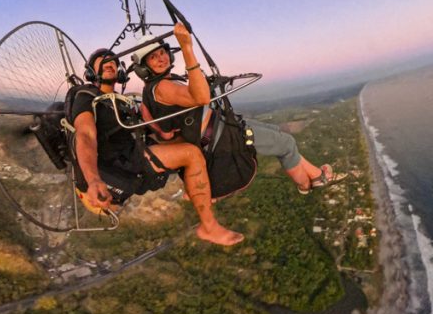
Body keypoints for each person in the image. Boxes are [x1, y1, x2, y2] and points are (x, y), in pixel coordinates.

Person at [134, 24, 346, 194]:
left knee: (276, 132)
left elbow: (170, 124)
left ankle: (317, 175)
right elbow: (200, 97)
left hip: (223, 126)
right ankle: (306, 184)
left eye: (162, 52)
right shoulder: (163, 87)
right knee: (286, 143)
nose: (161, 58)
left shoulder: (156, 89)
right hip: (221, 138)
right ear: (144, 67)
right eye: (153, 57)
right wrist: (188, 48)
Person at [71, 48, 245, 246]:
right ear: (91, 72)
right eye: (102, 60)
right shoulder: (85, 97)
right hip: (119, 162)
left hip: (133, 150)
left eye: (113, 60)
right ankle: (209, 227)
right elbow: (85, 135)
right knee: (192, 154)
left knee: (189, 140)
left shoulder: (120, 103)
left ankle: (196, 189)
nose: (109, 62)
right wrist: (93, 180)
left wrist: (161, 132)